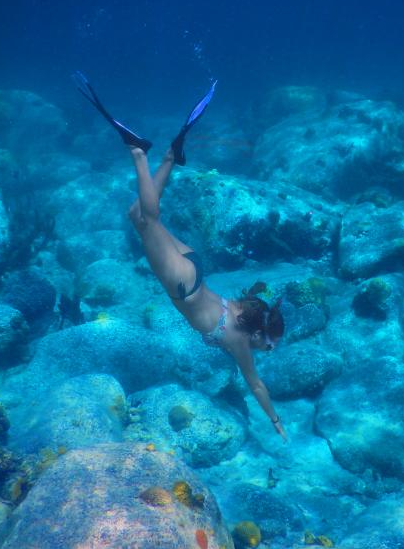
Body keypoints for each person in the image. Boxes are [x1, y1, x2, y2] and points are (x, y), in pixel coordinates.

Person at [74, 73, 287, 440]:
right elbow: (256, 386)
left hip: (194, 268)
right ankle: (139, 154)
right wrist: (276, 422)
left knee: (137, 217)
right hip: (182, 284)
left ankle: (172, 156)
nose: (266, 352)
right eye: (268, 346)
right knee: (150, 218)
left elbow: (265, 316)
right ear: (259, 337)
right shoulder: (239, 339)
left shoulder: (245, 307)